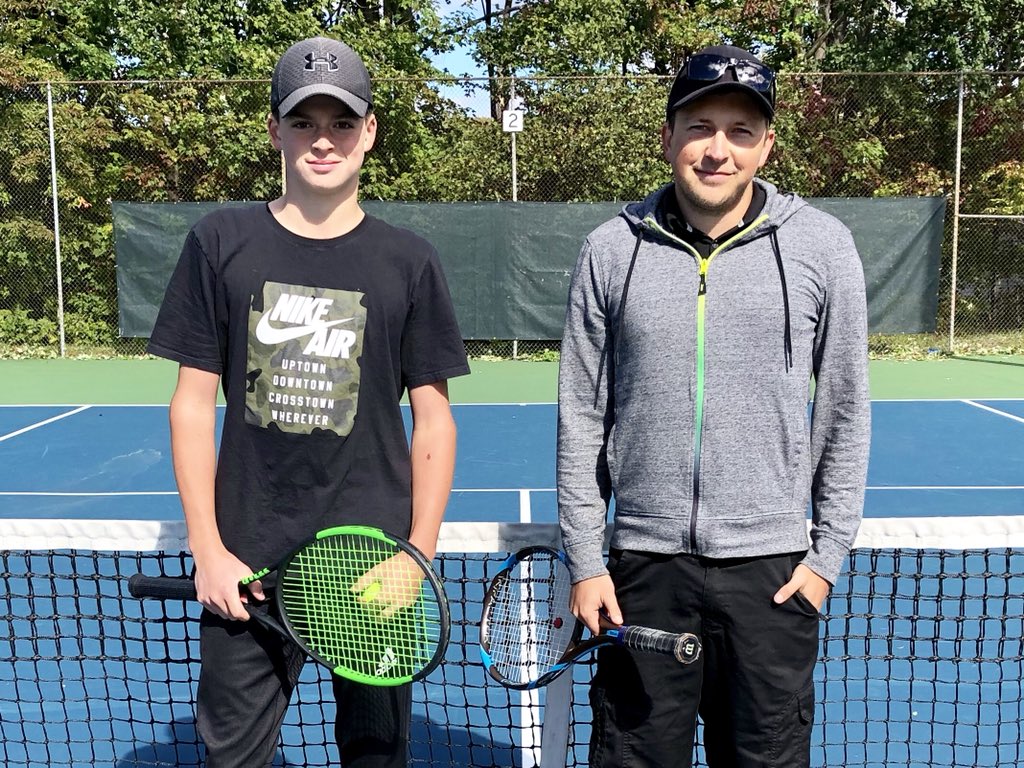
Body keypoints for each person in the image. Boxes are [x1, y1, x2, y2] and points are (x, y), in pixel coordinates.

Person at [147, 36, 470, 768]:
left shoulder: (409, 260)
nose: (323, 140)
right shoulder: (219, 243)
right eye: (303, 122)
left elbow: (436, 420)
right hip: (247, 564)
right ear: (275, 131)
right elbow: (191, 406)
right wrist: (209, 551)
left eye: (341, 122)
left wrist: (415, 554)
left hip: (373, 567)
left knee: (376, 757)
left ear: (370, 132)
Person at [556, 44, 871, 768]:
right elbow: (581, 415)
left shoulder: (824, 248)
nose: (717, 150)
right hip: (642, 571)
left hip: (773, 578)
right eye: (700, 126)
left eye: (739, 131)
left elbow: (846, 409)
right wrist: (585, 559)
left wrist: (825, 559)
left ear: (766, 145)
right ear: (668, 137)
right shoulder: (609, 250)